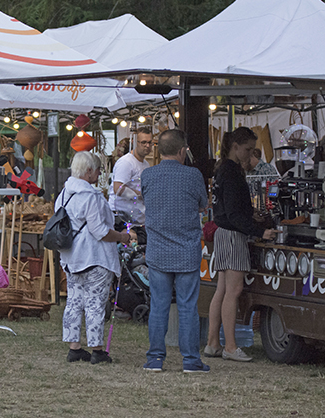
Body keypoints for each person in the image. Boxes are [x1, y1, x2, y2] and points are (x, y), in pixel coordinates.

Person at [141, 129, 209, 373]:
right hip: (187, 251)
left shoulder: (148, 175)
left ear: (159, 150)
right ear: (183, 151)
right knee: (187, 306)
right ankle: (190, 360)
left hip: (158, 250)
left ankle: (155, 359)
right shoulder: (193, 175)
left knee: (158, 305)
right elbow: (204, 204)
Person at [206, 127, 277, 362]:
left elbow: (229, 207)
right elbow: (235, 214)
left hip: (222, 232)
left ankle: (213, 343)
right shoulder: (232, 172)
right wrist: (259, 230)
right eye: (247, 149)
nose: (250, 154)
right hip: (233, 234)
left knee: (222, 290)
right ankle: (230, 346)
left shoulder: (222, 170)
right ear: (235, 147)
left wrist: (250, 214)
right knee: (233, 291)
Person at [57, 151, 131, 365]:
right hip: (94, 257)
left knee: (74, 301)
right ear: (88, 171)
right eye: (98, 169)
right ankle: (97, 349)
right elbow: (100, 231)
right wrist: (122, 237)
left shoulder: (64, 194)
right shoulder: (91, 196)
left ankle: (74, 347)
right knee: (95, 304)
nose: (100, 173)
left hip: (71, 257)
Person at [108, 127, 152, 226]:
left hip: (134, 215)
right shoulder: (126, 162)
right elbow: (118, 188)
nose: (147, 146)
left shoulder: (146, 164)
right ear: (135, 142)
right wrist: (140, 195)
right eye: (143, 142)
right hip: (120, 215)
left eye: (150, 142)